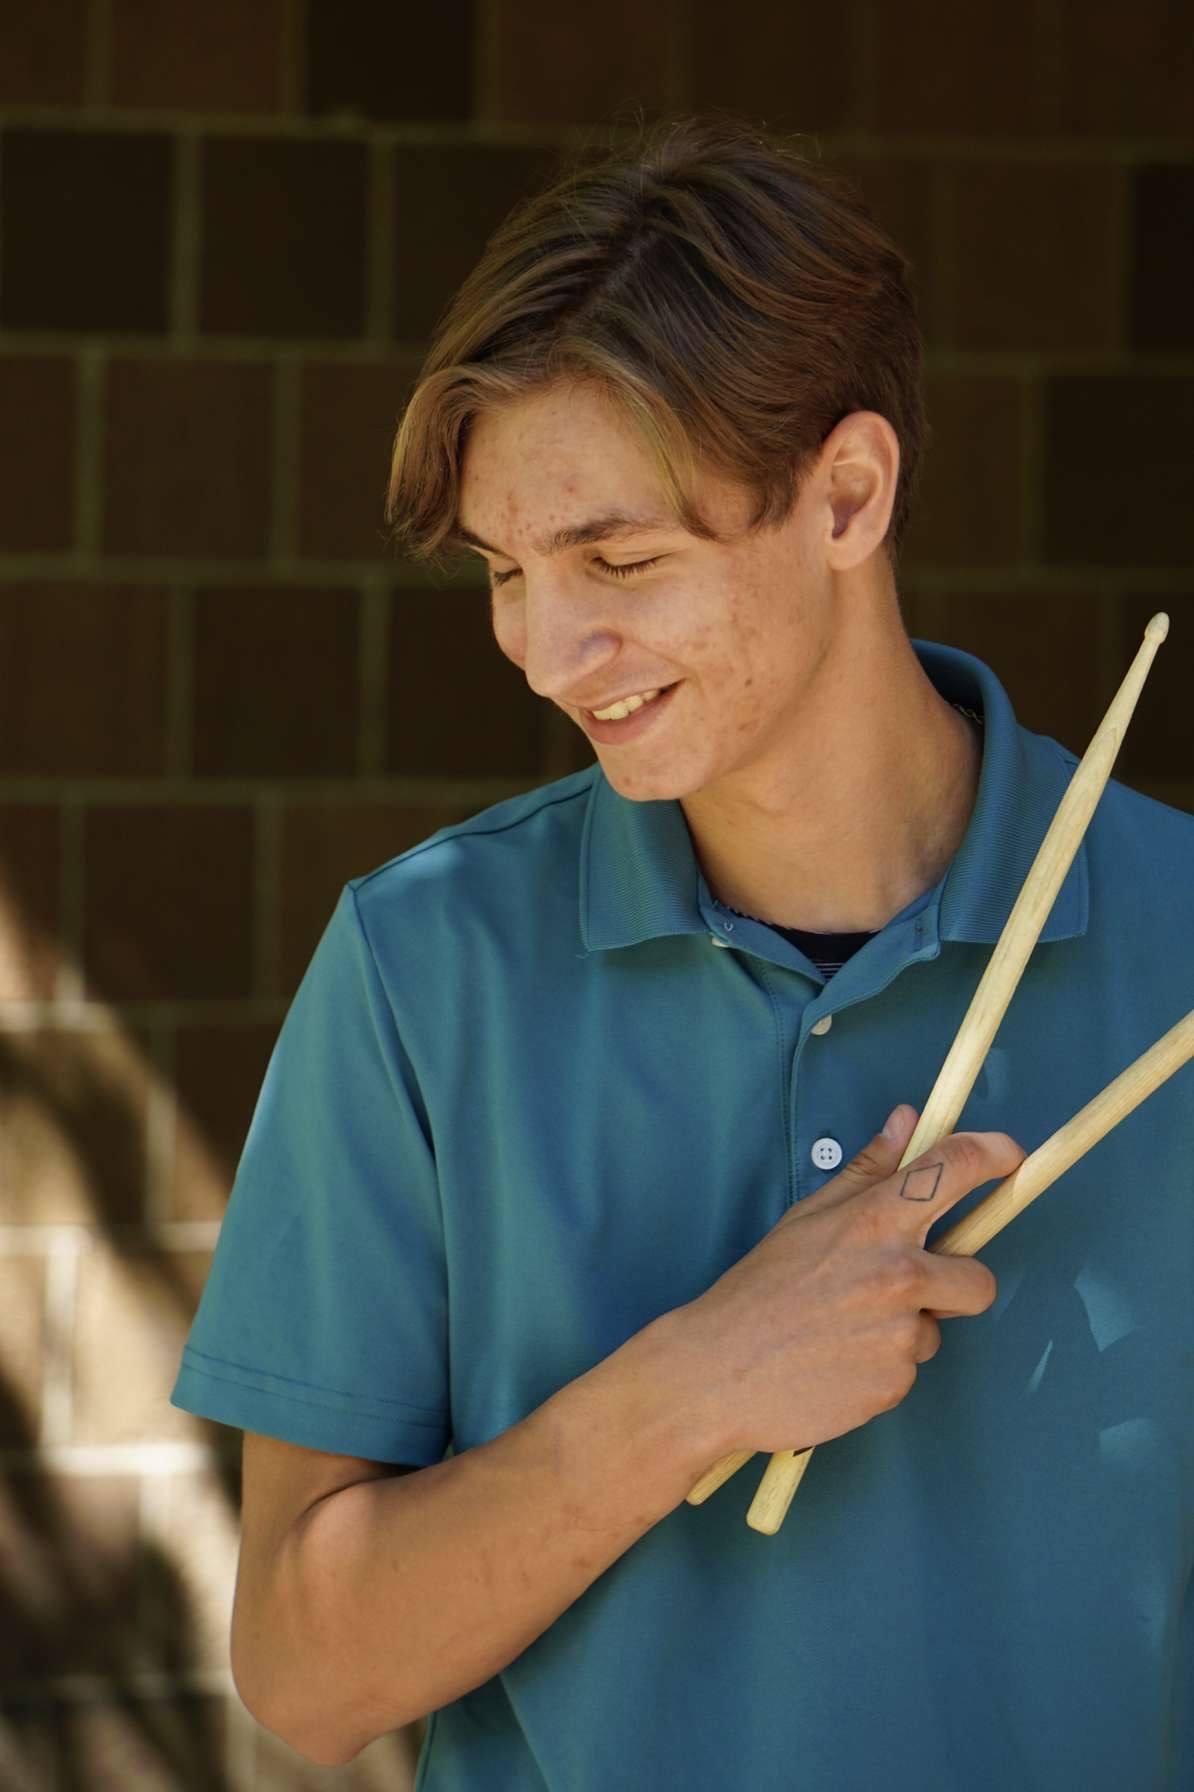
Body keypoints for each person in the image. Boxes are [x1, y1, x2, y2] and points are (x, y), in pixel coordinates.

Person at [171, 113, 1193, 1789]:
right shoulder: (424, 967)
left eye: (620, 561)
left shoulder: (1174, 942)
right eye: (506, 572)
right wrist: (696, 1383)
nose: (543, 649)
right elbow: (307, 1675)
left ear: (847, 495)